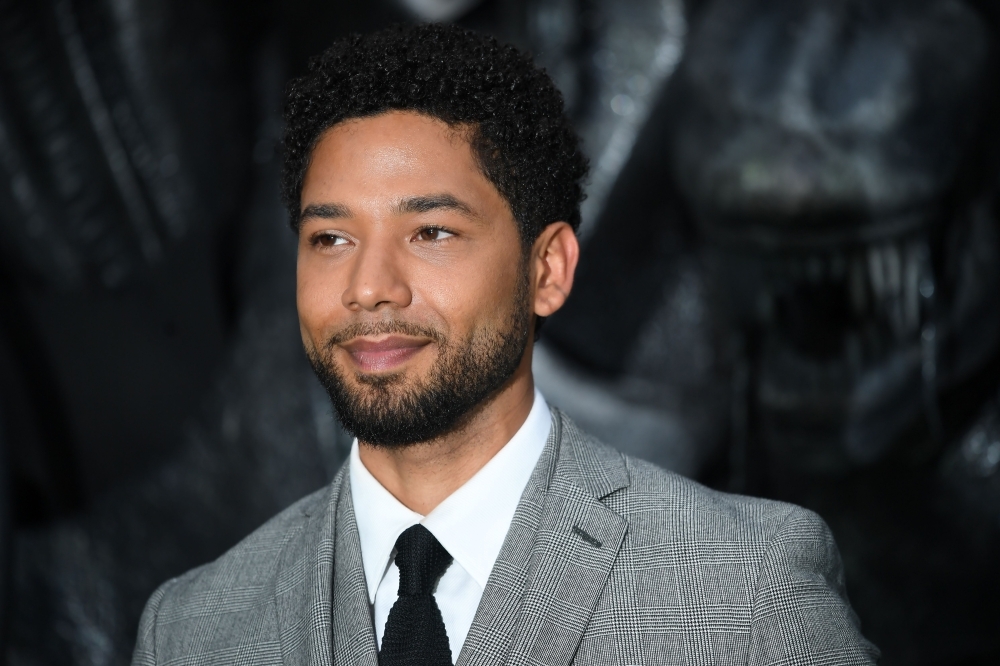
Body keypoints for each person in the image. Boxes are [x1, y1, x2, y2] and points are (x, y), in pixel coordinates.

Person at [132, 22, 878, 666]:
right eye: (330, 237)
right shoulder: (192, 628)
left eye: (431, 233)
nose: (369, 287)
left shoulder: (745, 587)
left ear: (547, 270)